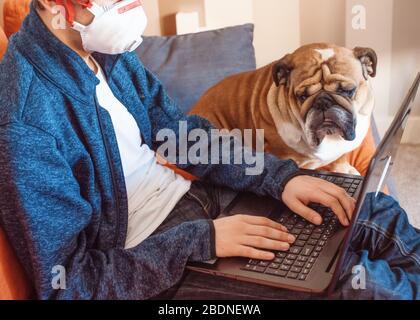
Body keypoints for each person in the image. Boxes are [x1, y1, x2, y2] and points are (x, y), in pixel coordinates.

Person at [0, 0, 418, 300]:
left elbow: (180, 134)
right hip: (158, 256)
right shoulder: (25, 120)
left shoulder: (105, 51)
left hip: (203, 198)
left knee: (374, 212)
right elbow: (69, 285)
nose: (132, 8)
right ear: (58, 8)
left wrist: (281, 178)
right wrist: (203, 241)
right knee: (354, 280)